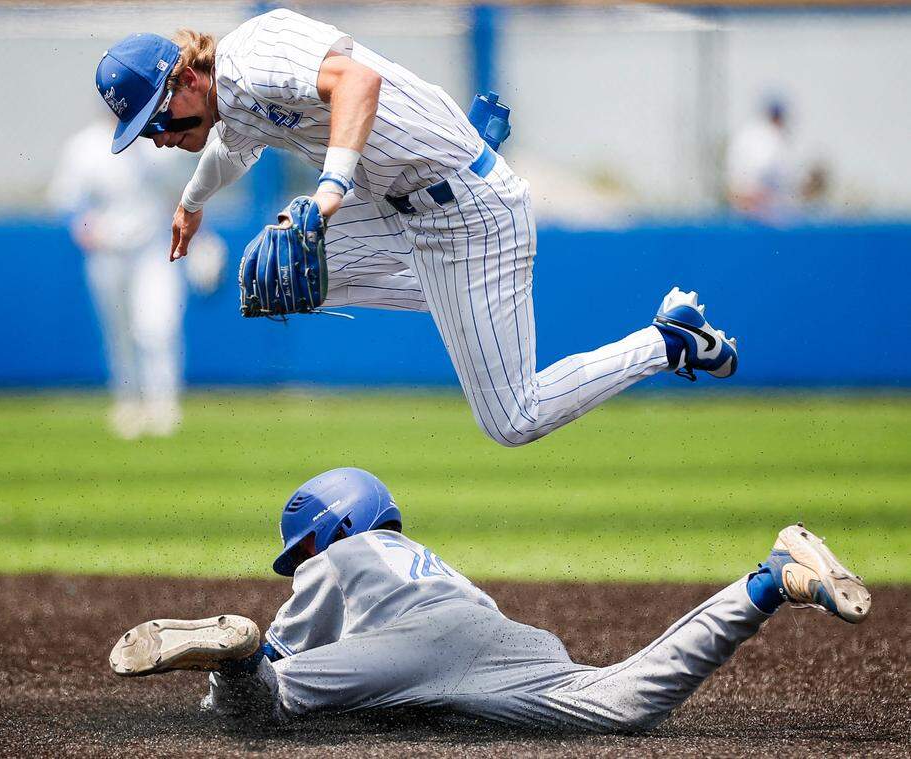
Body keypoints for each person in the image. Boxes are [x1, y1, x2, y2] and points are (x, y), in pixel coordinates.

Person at [91, 9, 739, 448]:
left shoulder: (254, 54)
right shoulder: (231, 103)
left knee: (513, 419)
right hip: (407, 205)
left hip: (466, 217)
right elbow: (234, 145)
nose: (156, 136)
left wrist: (330, 187)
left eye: (156, 117)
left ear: (188, 75)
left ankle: (668, 342)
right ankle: (463, 219)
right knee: (275, 272)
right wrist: (192, 201)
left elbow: (358, 79)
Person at [108, 467, 872, 732]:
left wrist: (238, 678)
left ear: (329, 527)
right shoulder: (427, 559)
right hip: (503, 636)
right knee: (624, 700)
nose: (300, 560)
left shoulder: (339, 554)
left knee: (262, 703)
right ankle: (769, 581)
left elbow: (288, 648)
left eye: (301, 545)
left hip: (415, 646)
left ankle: (222, 650)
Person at [48, 116, 225, 438]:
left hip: (155, 248)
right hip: (107, 252)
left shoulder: (163, 144)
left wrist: (203, 240)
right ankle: (128, 405)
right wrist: (87, 231)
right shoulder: (85, 146)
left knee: (158, 327)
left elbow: (187, 197)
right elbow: (70, 203)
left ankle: (164, 406)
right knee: (119, 333)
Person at [726, 97, 826, 223]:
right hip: (760, 207)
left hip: (738, 204)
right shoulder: (770, 137)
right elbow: (765, 172)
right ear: (778, 118)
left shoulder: (746, 132)